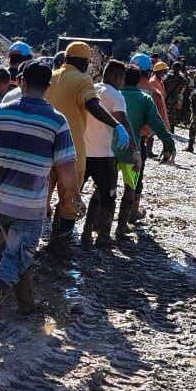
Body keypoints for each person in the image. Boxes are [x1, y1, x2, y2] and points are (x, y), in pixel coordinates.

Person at [0, 58, 78, 337]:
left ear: (21, 82)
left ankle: (26, 305)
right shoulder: (57, 121)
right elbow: (66, 168)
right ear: (48, 86)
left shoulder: (0, 112)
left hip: (0, 202)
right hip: (29, 207)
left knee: (18, 252)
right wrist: (74, 197)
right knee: (14, 260)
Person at [45, 40, 130, 255]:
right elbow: (92, 104)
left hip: (44, 150)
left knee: (39, 198)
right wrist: (116, 125)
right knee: (69, 200)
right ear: (84, 62)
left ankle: (31, 243)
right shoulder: (83, 79)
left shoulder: (50, 76)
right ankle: (60, 244)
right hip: (71, 152)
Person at [117, 64, 170, 236]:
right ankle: (128, 219)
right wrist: (168, 142)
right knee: (132, 184)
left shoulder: (113, 93)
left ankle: (97, 224)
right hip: (135, 146)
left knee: (104, 184)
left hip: (109, 146)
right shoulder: (150, 94)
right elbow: (159, 121)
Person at [80, 60, 128, 248]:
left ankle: (81, 234)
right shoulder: (116, 96)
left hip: (83, 153)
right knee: (108, 196)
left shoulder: (91, 89)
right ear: (116, 77)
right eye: (122, 79)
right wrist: (134, 149)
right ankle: (103, 236)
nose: (122, 83)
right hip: (104, 155)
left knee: (72, 194)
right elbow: (123, 122)